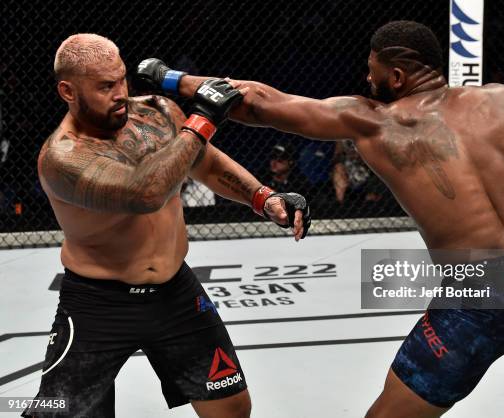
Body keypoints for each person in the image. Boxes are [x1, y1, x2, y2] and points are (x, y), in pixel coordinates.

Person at [138, 21, 504, 418]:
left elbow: (259, 101)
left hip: (479, 291)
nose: (368, 81)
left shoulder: (374, 121)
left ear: (398, 76)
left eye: (373, 72)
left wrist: (166, 77)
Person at [24, 33, 311, 418]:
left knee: (233, 409)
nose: (120, 93)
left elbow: (205, 162)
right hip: (98, 304)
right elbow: (144, 193)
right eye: (106, 86)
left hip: (175, 293)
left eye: (122, 79)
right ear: (68, 91)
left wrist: (264, 198)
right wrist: (204, 120)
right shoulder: (62, 157)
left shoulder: (158, 112)